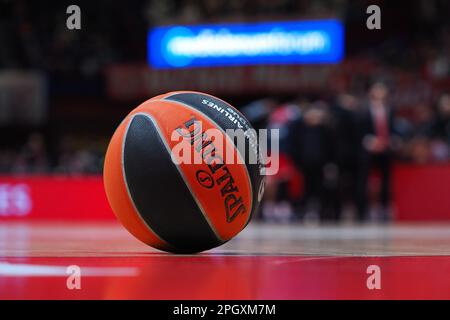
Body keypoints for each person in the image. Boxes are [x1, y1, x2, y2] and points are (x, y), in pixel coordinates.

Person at [355, 82, 396, 221]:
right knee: (363, 179)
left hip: (385, 149)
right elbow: (357, 131)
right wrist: (369, 141)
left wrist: (389, 140)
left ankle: (384, 209)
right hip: (368, 149)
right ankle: (362, 211)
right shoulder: (363, 110)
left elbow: (392, 129)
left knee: (386, 180)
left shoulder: (390, 110)